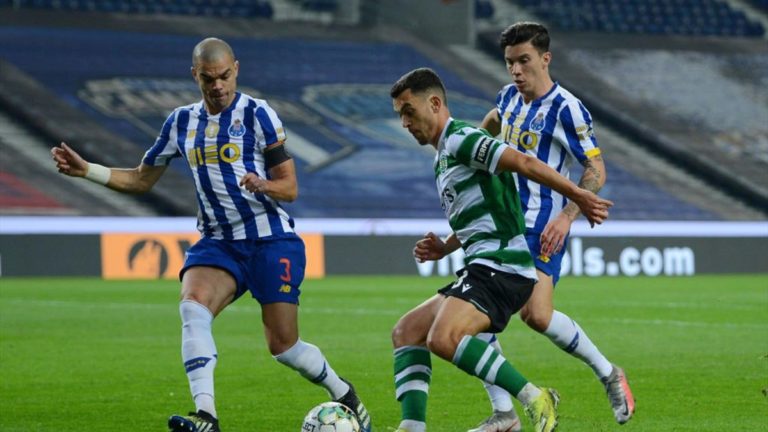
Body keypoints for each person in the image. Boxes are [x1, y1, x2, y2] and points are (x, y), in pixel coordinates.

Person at [51, 37, 371, 432]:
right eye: (208, 79)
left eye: (224, 76)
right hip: (219, 242)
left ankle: (343, 393)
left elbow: (290, 188)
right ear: (195, 76)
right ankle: (206, 416)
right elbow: (140, 179)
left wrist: (264, 184)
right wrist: (88, 171)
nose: (218, 86)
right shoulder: (180, 122)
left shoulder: (258, 114)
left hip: (271, 241)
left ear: (236, 70)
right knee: (193, 308)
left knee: (284, 346)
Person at [389, 67, 613, 432]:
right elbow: (479, 215)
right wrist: (445, 246)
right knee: (406, 332)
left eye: (409, 111)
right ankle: (412, 427)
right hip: (483, 266)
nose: (404, 122)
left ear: (435, 104)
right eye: (400, 114)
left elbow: (523, 162)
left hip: (503, 267)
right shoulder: (443, 156)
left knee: (444, 338)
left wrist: (578, 195)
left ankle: (535, 397)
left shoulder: (461, 138)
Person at [469, 22, 635, 432]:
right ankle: (504, 412)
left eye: (524, 61)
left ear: (545, 59)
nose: (516, 70)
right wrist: (471, 146)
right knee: (477, 312)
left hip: (543, 226)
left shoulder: (567, 108)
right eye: (509, 62)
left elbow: (595, 168)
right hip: (500, 223)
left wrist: (567, 215)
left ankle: (608, 373)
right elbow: (493, 121)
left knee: (536, 316)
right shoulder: (507, 97)